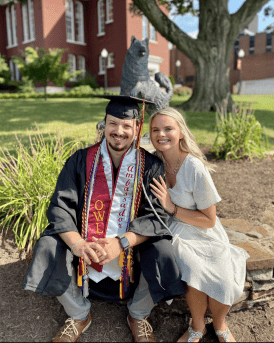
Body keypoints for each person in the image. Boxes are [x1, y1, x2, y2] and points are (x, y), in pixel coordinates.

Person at [23, 96, 185, 343]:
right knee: (47, 245)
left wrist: (120, 242)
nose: (118, 131)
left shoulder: (150, 166)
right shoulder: (80, 160)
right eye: (113, 123)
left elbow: (156, 217)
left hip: (130, 257)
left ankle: (138, 314)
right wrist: (78, 245)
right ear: (104, 124)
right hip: (84, 254)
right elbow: (60, 207)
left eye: (126, 125)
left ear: (136, 128)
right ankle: (78, 314)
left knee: (164, 250)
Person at [149, 107, 250, 343]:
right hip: (175, 231)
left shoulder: (194, 167)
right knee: (193, 268)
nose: (161, 134)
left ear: (181, 133)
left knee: (223, 275)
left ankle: (220, 324)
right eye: (156, 130)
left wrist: (171, 206)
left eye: (168, 129)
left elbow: (209, 219)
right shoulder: (155, 161)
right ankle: (197, 327)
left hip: (203, 229)